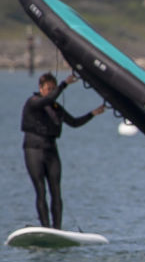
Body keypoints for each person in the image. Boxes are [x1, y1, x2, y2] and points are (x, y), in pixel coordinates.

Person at [20, 72, 104, 229]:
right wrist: (64, 84)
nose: (51, 91)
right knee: (41, 190)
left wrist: (93, 113)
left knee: (56, 192)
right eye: (48, 88)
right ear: (40, 88)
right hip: (34, 150)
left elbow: (74, 122)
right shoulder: (33, 102)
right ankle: (46, 227)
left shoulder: (56, 108)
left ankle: (57, 229)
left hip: (51, 150)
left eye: (53, 88)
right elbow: (48, 99)